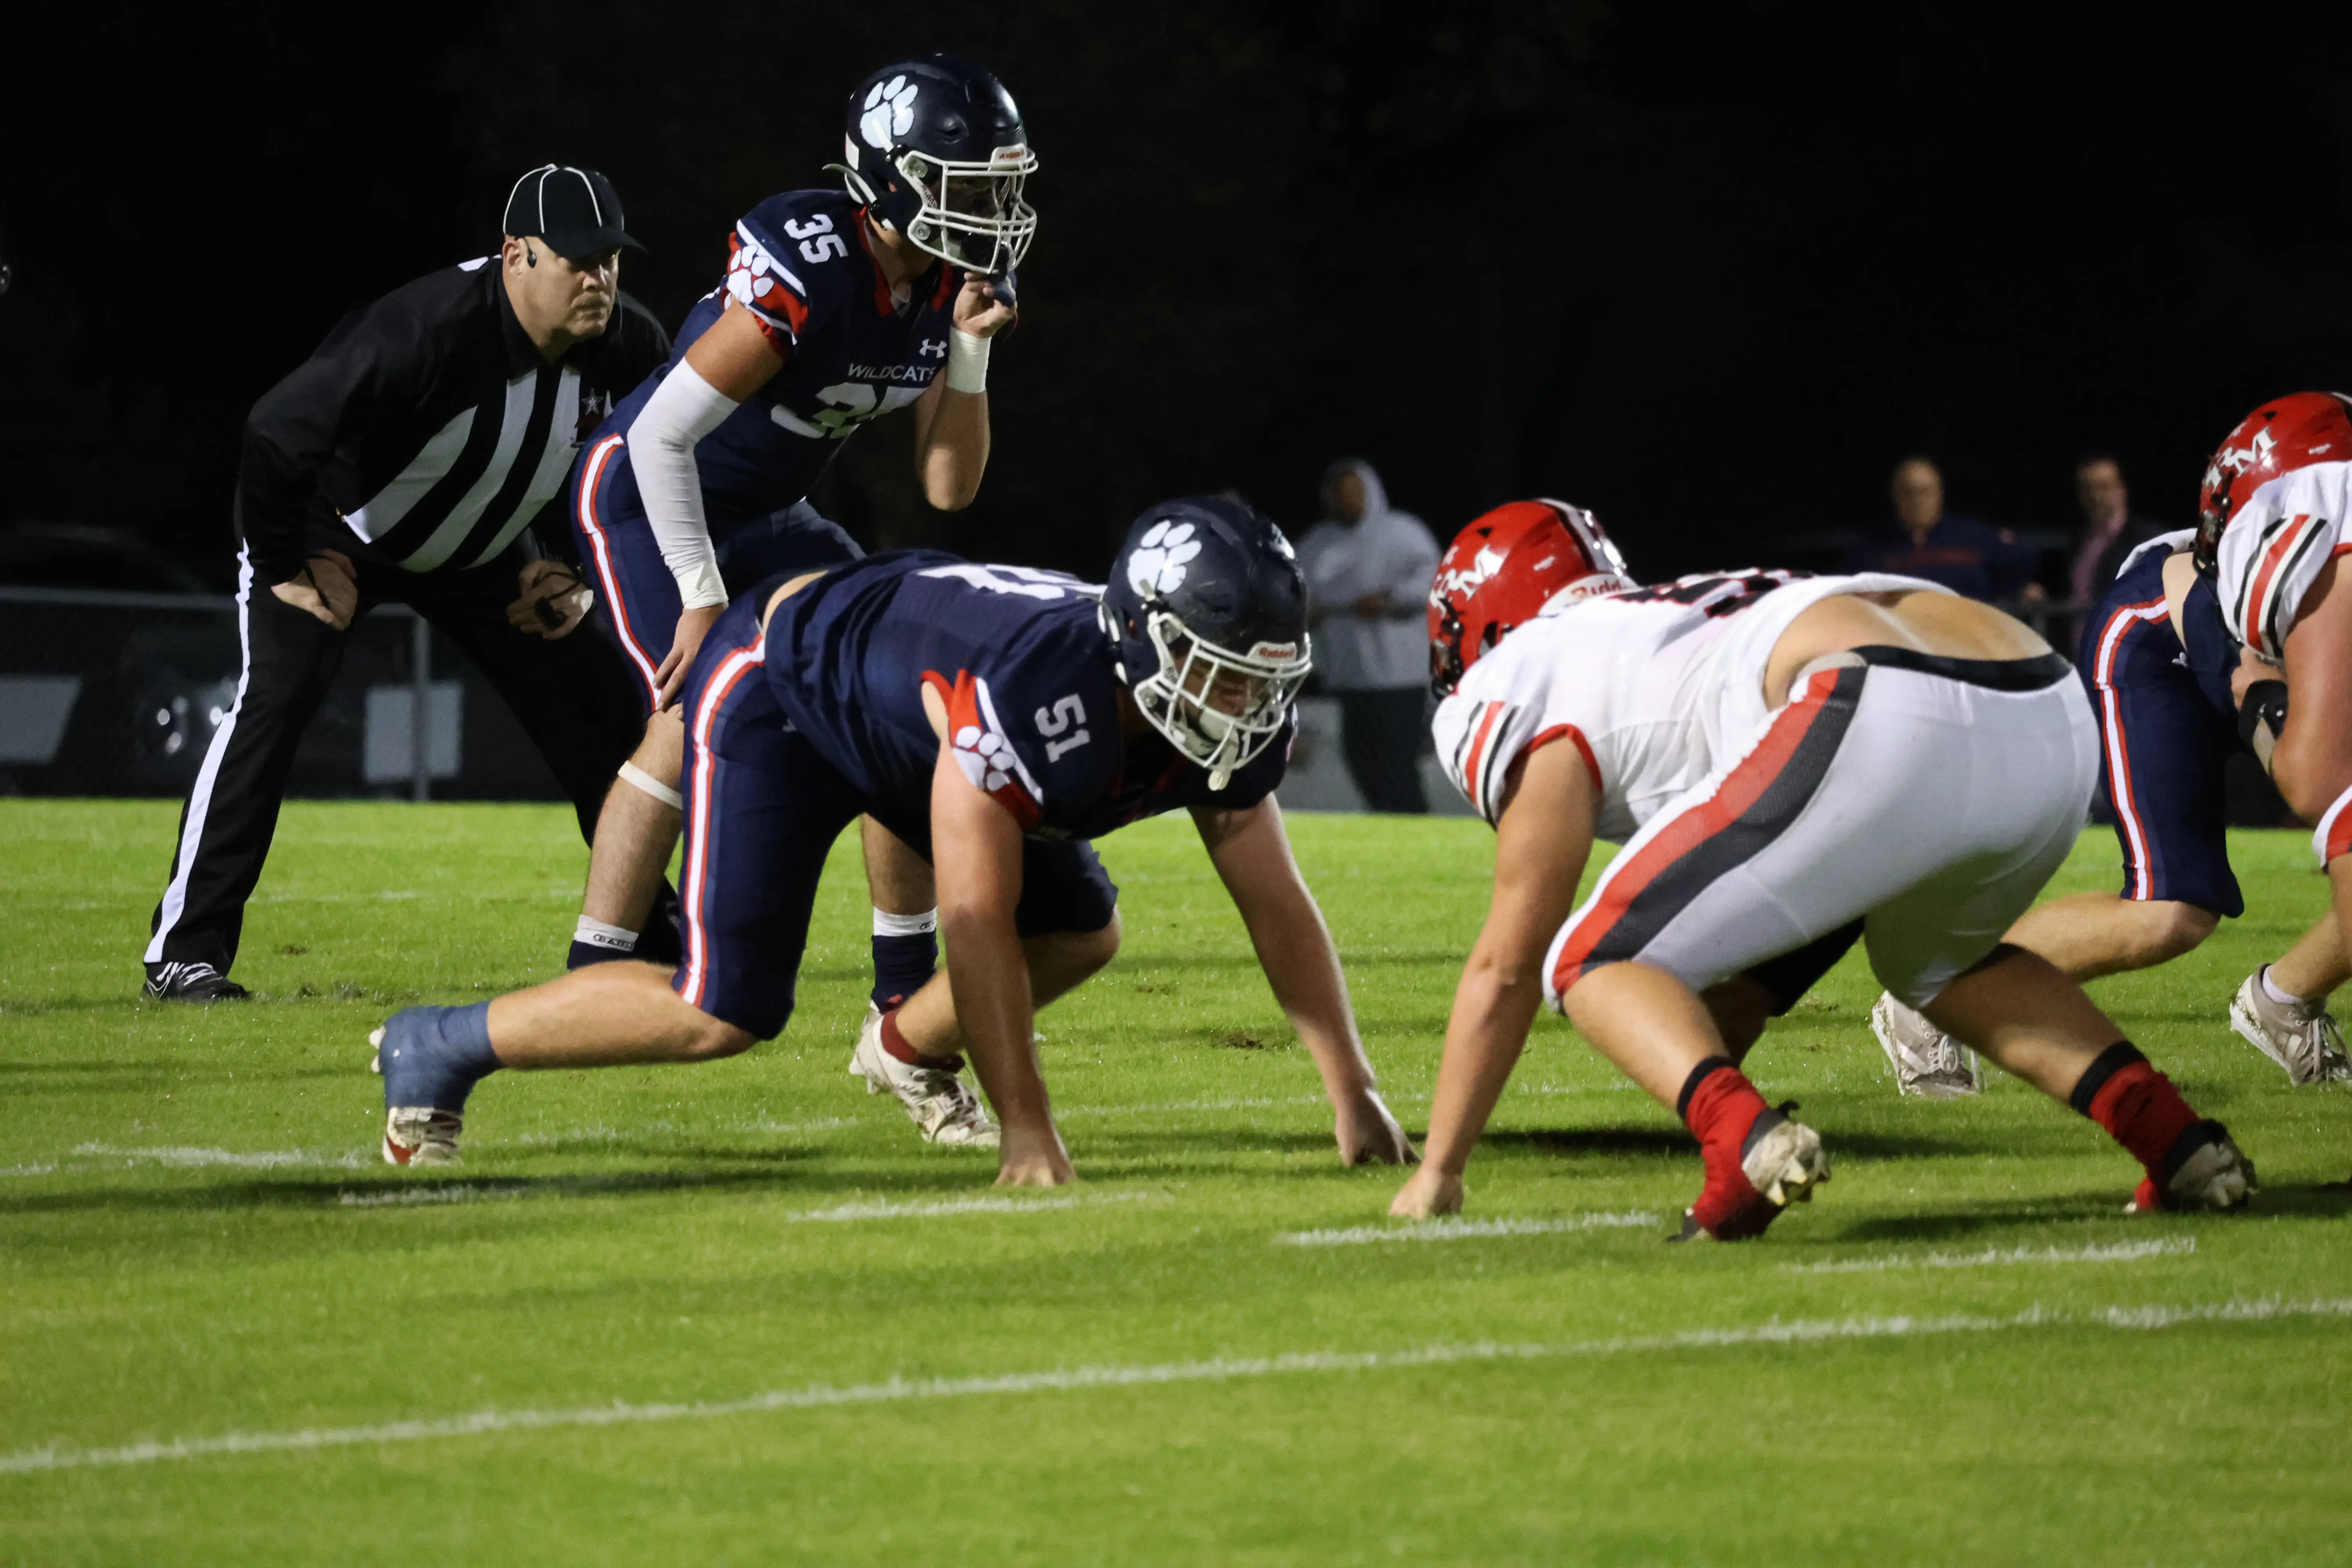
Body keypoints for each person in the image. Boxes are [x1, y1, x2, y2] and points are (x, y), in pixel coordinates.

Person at [368, 498, 1415, 1180]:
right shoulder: (1035, 695)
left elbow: (1276, 905)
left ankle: (903, 1045)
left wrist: (1355, 1090)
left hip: (900, 705)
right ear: (1145, 638)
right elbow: (973, 916)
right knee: (725, 1009)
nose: (1246, 700)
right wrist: (1027, 1129)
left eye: (1263, 673)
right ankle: (443, 1041)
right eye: (1223, 669)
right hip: (782, 685)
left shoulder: (1194, 717)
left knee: (1085, 930)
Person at [1390, 498, 2255, 1236]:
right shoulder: (1671, 620)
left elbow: (1510, 962)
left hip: (1878, 706)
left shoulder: (1521, 671)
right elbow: (1805, 904)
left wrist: (1439, 1170)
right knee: (1936, 963)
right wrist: (1702, 1053)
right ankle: (2181, 1144)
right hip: (2044, 708)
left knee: (1592, 957)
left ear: (1485, 627)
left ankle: (1748, 1149)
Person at [564, 54, 1033, 1051]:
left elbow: (948, 487)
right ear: (894, 177)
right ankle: (596, 971)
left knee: (884, 695)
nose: (995, 207)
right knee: (689, 712)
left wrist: (974, 351)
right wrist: (698, 595)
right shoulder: (814, 260)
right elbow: (658, 439)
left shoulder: (950, 284)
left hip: (773, 509)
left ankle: (899, 994)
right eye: (971, 185)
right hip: (654, 502)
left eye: (1002, 184)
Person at [143, 166, 672, 1001]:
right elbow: (278, 433)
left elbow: (647, 467)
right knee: (276, 701)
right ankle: (185, 952)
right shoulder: (424, 329)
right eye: (577, 259)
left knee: (607, 713)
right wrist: (287, 562)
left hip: (491, 554)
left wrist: (574, 564)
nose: (598, 279)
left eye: (610, 259)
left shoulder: (632, 342)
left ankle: (651, 931)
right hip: (345, 539)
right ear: (515, 257)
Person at [1871, 528, 2351, 1096]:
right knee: (2169, 913)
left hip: (2253, 656)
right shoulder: (2307, 535)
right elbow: (2255, 687)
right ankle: (1933, 991)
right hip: (2159, 645)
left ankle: (2285, 998)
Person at [2195, 394, 2352, 1173]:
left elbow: (2314, 777)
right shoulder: (2328, 507)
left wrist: (2260, 690)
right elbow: (2323, 780)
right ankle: (2283, 997)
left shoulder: (2309, 503)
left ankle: (2283, 997)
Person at [1296, 459, 1439, 813]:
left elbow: (1433, 581)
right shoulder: (1317, 543)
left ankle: (1414, 825)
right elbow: (1293, 590)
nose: (1346, 501)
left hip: (1397, 678)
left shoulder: (1404, 533)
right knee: (1361, 759)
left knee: (1397, 762)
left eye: (1354, 492)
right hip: (1348, 675)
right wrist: (1303, 611)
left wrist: (1390, 600)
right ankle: (1389, 823)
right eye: (1339, 494)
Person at [1841, 456, 2043, 604]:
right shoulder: (1873, 549)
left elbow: (2024, 560)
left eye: (1925, 492)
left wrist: (2013, 593)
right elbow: (1846, 588)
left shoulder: (1972, 537)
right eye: (1908, 493)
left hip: (1967, 639)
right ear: (1895, 497)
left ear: (1940, 494)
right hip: (1900, 645)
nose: (1917, 502)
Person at [2062, 453, 2168, 655]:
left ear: (2121, 489)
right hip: (2082, 656)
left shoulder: (2147, 541)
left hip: (2127, 657)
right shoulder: (2079, 540)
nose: (2095, 496)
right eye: (2087, 488)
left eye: (2103, 487)